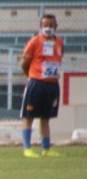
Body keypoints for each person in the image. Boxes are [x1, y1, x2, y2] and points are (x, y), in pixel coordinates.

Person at [19, 14, 64, 158]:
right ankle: (27, 148)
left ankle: (46, 148)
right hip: (36, 83)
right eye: (45, 25)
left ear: (56, 27)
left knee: (46, 117)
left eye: (51, 25)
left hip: (52, 85)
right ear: (40, 27)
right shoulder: (34, 42)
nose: (48, 28)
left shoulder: (59, 43)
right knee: (29, 116)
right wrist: (32, 75)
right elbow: (24, 63)